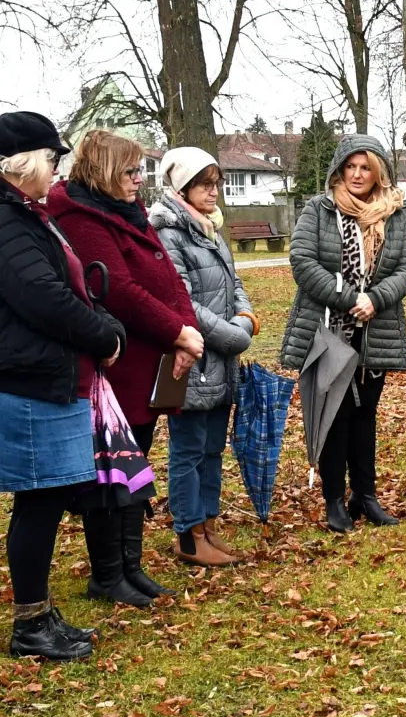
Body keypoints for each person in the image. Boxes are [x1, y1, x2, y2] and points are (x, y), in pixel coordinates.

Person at [47, 130, 200, 604]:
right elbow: (119, 291)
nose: (139, 179)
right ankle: (108, 573)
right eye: (131, 171)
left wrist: (185, 334)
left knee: (136, 467)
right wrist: (178, 333)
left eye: (140, 170)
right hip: (118, 366)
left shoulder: (128, 211)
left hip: (154, 361)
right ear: (105, 172)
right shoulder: (80, 216)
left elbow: (169, 278)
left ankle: (131, 566)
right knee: (111, 472)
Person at [0, 113, 126, 660]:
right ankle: (30, 624)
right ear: (21, 161)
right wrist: (102, 334)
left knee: (44, 499)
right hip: (30, 382)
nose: (57, 169)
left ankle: (39, 612)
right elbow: (42, 296)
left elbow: (67, 283)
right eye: (52, 159)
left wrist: (102, 323)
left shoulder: (26, 214)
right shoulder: (6, 221)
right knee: (39, 500)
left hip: (47, 377)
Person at [280, 136, 406, 533]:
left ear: (378, 172)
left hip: (375, 330)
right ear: (339, 170)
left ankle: (365, 495)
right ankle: (334, 500)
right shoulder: (318, 211)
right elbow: (302, 262)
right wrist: (348, 297)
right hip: (328, 330)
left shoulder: (393, 214)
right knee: (335, 415)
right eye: (351, 167)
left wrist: (375, 299)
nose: (357, 175)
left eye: (366, 167)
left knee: (364, 414)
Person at [150, 148, 257, 565]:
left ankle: (208, 526)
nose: (214, 192)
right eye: (204, 184)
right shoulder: (170, 232)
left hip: (222, 359)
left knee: (213, 448)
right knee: (189, 449)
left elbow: (234, 284)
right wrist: (234, 335)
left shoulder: (211, 228)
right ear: (182, 187)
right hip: (192, 361)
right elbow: (184, 302)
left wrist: (246, 319)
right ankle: (188, 534)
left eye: (216, 184)